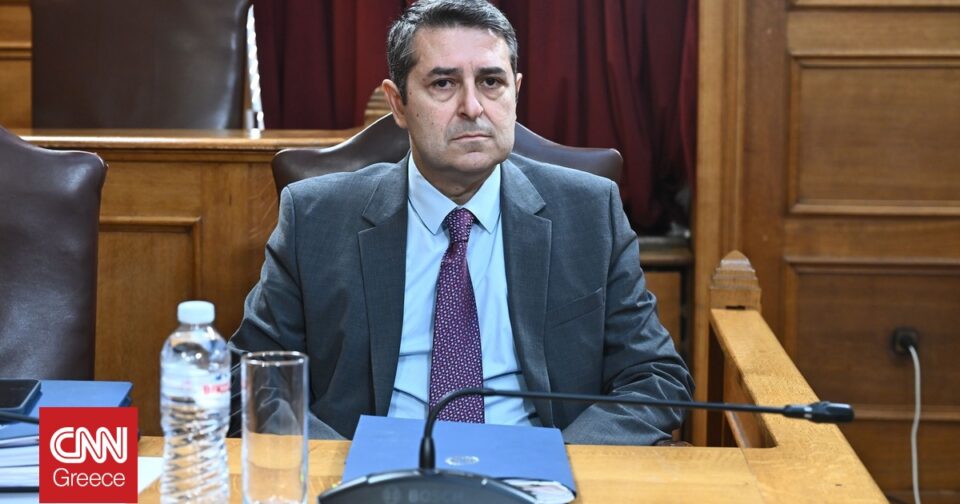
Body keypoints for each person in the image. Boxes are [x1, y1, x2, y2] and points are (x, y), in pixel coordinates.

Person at [230, 0, 693, 445]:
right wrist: (338, 463)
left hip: (538, 470)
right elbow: (249, 378)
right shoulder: (315, 216)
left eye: (491, 82)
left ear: (516, 93)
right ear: (398, 104)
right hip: (370, 469)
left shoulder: (589, 212)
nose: (473, 106)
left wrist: (559, 462)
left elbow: (654, 376)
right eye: (443, 84)